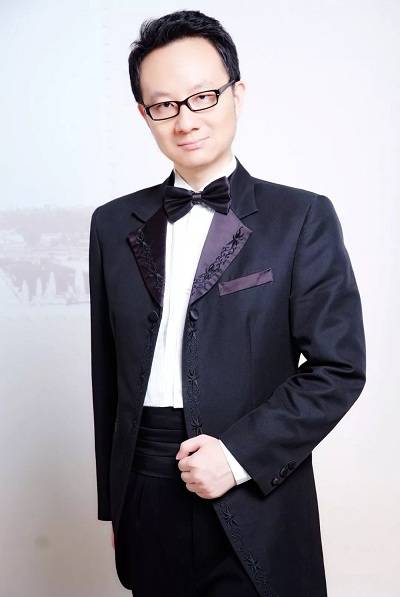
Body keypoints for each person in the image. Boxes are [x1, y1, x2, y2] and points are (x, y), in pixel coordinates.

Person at [88, 9, 366, 597]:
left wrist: (237, 455)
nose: (185, 119)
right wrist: (117, 506)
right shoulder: (111, 225)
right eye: (164, 105)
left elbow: (338, 368)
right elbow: (107, 376)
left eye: (203, 96)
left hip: (254, 486)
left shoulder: (302, 217)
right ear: (144, 115)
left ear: (237, 94)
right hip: (145, 489)